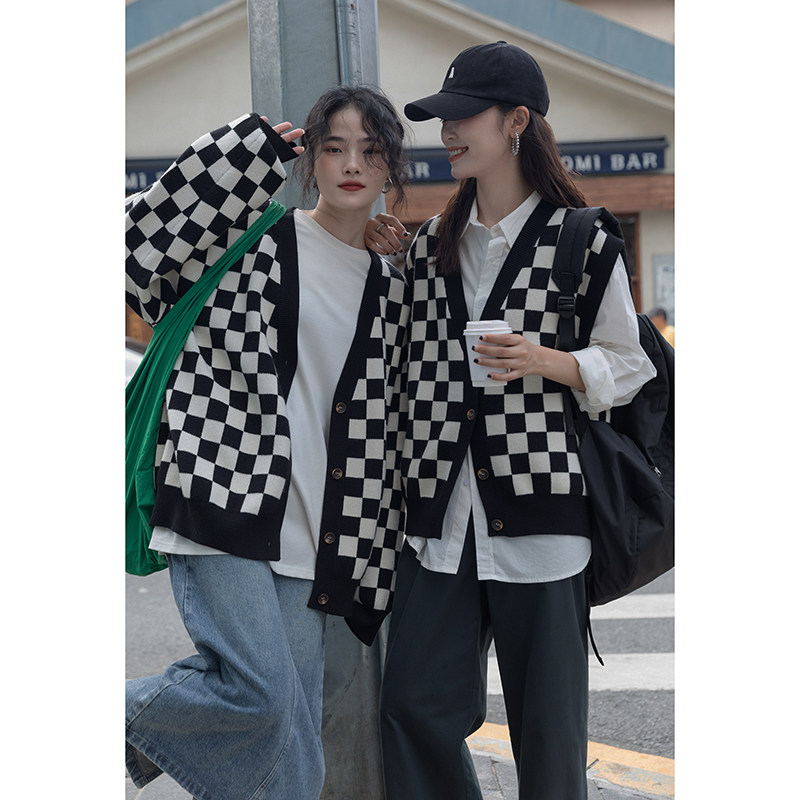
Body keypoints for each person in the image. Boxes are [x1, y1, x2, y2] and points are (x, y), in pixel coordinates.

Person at [366, 42, 657, 799]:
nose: (448, 131)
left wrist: (544, 360)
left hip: (543, 516)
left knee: (548, 741)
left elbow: (629, 365)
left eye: (465, 116)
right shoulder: (431, 244)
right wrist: (382, 260)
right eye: (442, 118)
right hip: (440, 522)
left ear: (517, 121)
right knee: (412, 710)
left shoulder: (582, 239)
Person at [125, 85, 410, 800]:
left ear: (391, 165)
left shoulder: (390, 281)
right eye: (334, 148)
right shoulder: (255, 240)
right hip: (221, 491)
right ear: (310, 160)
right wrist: (238, 153)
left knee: (293, 734)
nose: (351, 165)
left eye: (370, 151)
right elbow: (137, 246)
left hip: (315, 527)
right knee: (261, 698)